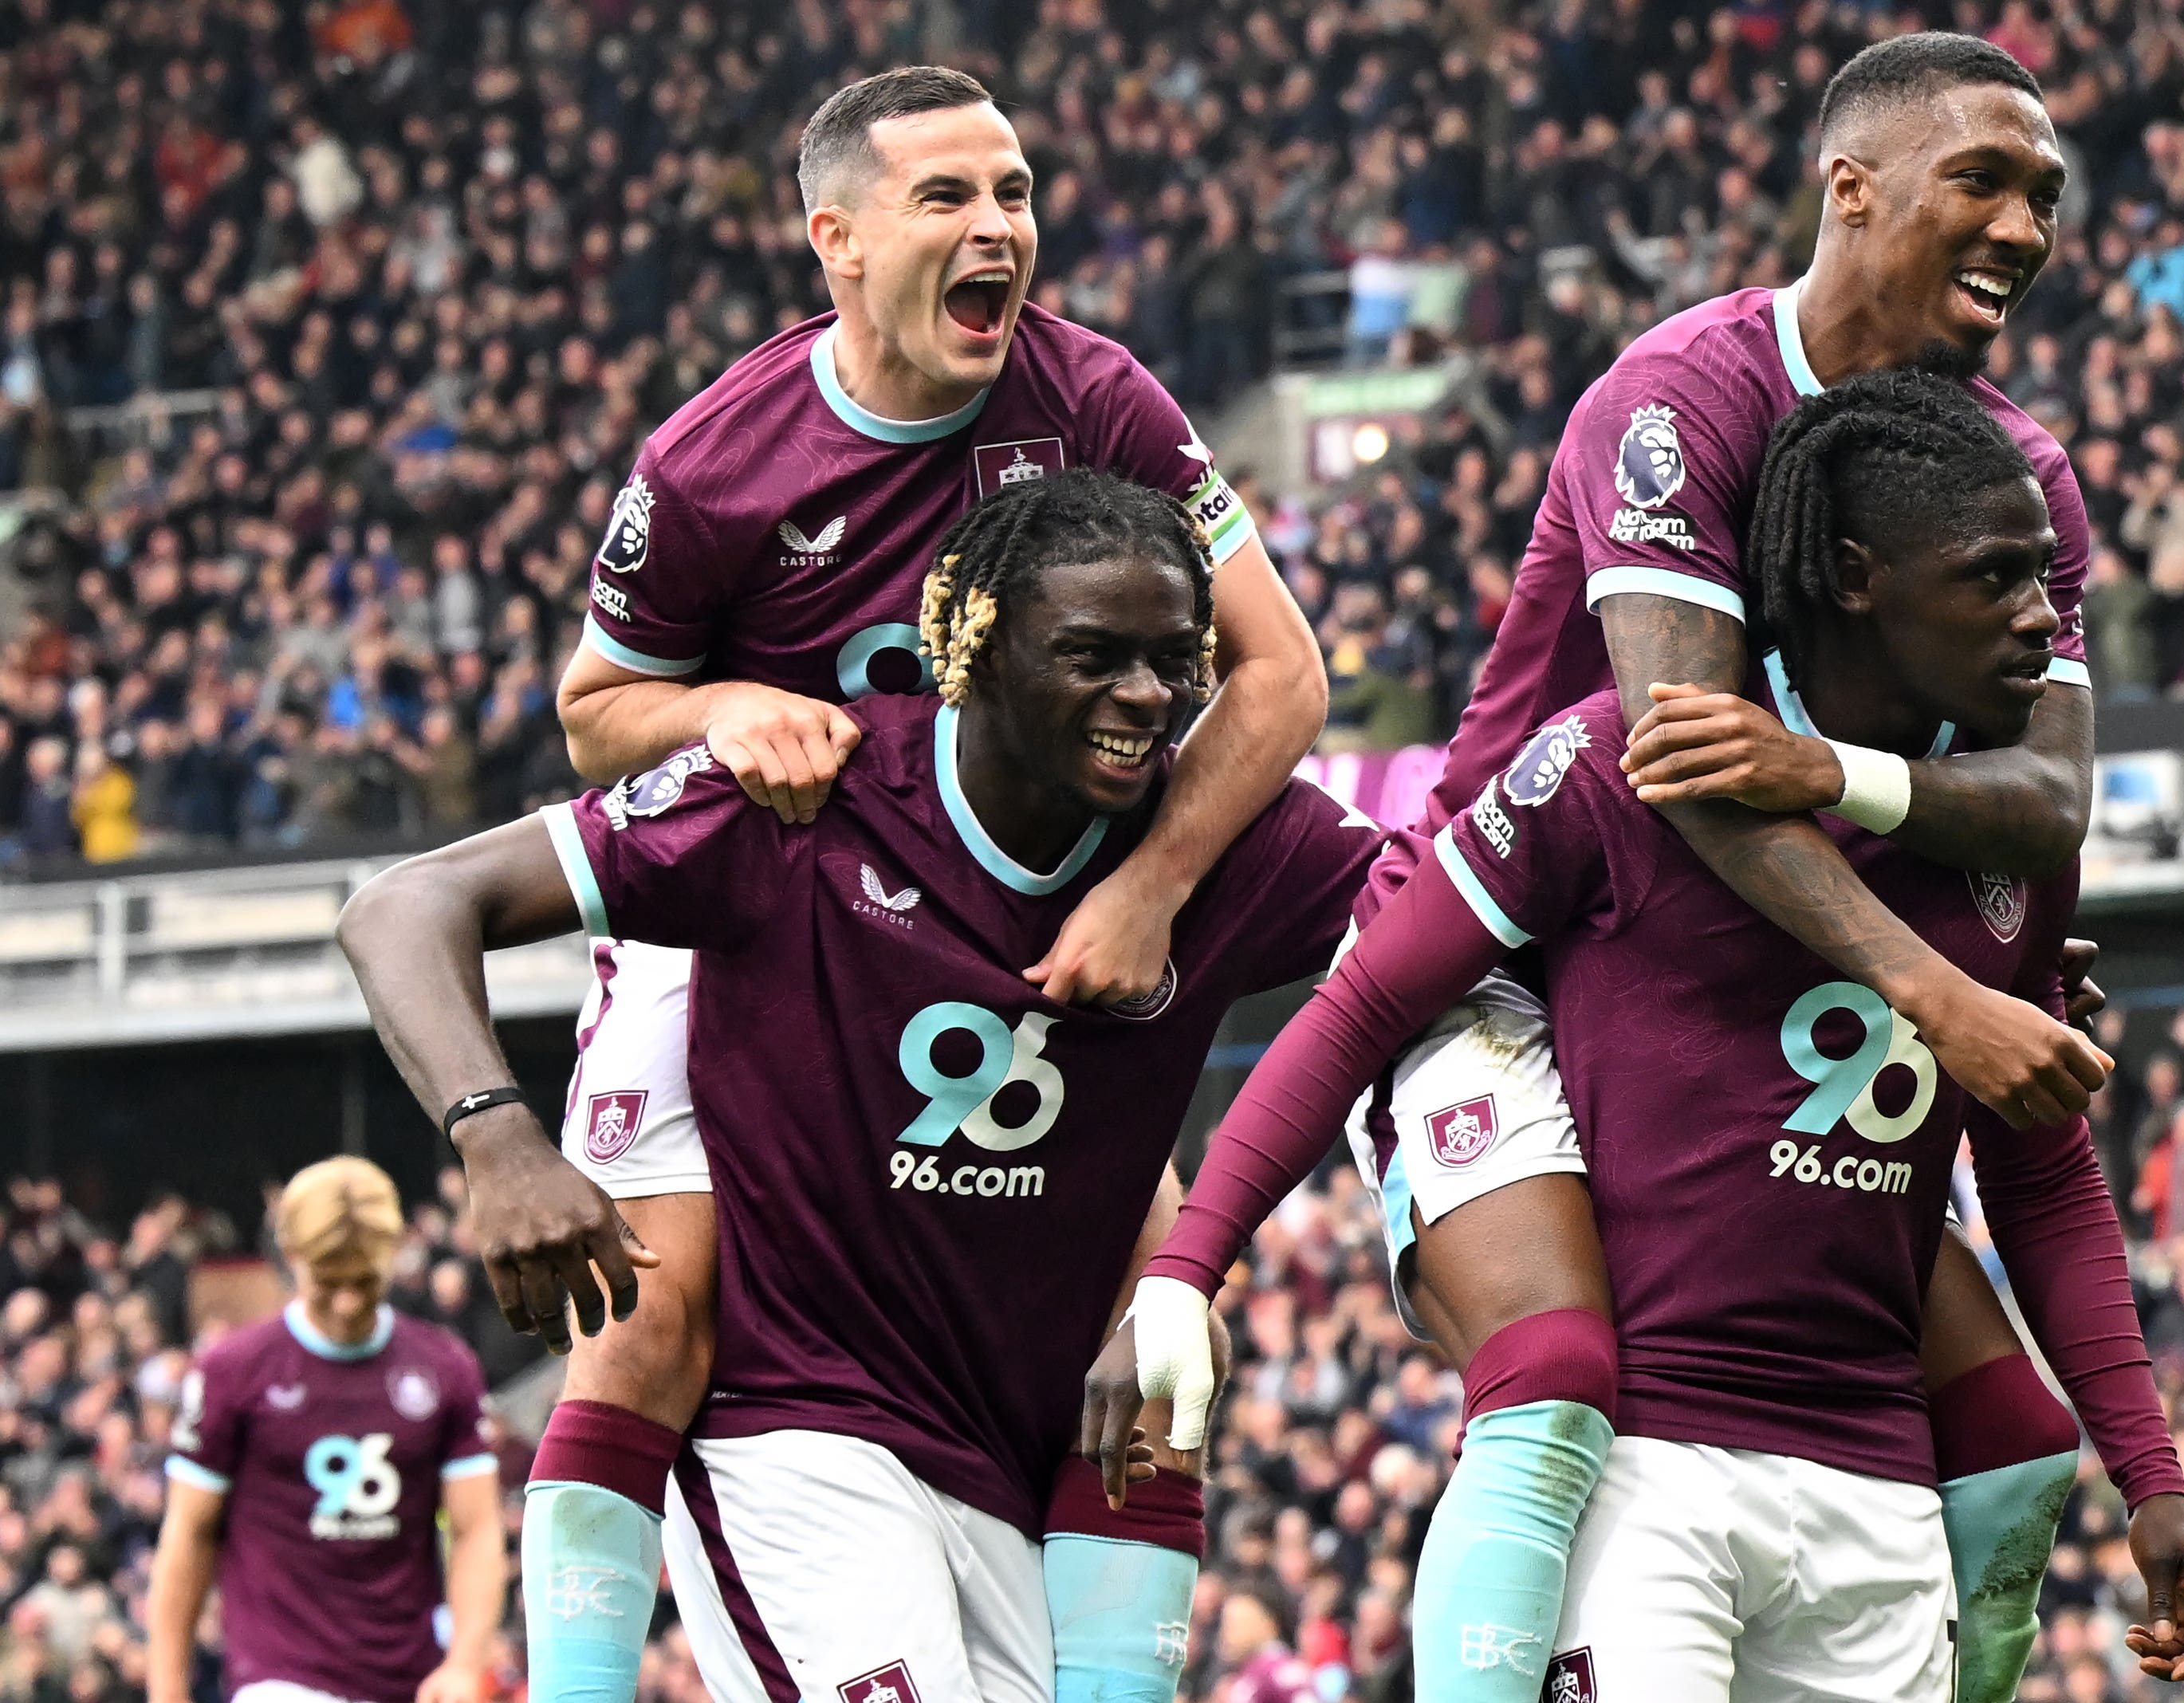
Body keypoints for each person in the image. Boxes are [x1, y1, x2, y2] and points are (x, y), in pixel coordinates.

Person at [1123, 35, 2128, 1703]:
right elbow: (1681, 765)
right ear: (1850, 187)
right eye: (1985, 180)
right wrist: (1935, 982)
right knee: (1557, 1380)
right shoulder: (1683, 398)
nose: (2027, 226)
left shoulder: (2012, 472)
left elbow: (2052, 798)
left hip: (1751, 967)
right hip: (1524, 945)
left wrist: (1850, 784)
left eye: (2045, 193)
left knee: (2020, 1446)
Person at [516, 65, 1326, 1703]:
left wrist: (1157, 885)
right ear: (837, 236)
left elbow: (1283, 674)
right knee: (659, 1321)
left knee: (1160, 1338)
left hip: (1018, 924)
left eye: (1015, 193)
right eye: (948, 197)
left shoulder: (1098, 402)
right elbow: (594, 714)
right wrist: (727, 706)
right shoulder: (714, 463)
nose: (999, 229)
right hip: (758, 916)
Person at [337, 474, 1383, 1703]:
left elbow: (1460, 916)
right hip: (795, 1446)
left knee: (1171, 1353)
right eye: (1095, 656)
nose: (1148, 700)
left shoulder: (1234, 848)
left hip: (996, 1475)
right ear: (973, 648)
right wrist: (499, 1139)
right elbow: (406, 906)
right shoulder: (798, 804)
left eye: (1174, 660)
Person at [144, 1157, 504, 1703]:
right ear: (291, 1256)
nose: (346, 1301)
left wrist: (465, 1661)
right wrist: (167, 1689)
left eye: (363, 1280)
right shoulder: (233, 1372)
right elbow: (188, 1532)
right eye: (329, 1281)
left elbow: (475, 1528)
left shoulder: (444, 1367)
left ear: (393, 1253)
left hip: (409, 1675)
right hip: (279, 1675)